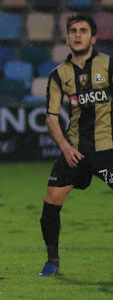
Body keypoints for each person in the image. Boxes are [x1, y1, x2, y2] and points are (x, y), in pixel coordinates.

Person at [38, 14, 113, 277]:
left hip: (108, 148)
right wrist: (65, 148)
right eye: (73, 31)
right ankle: (52, 262)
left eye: (83, 31)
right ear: (67, 38)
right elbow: (51, 117)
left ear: (93, 38)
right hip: (76, 150)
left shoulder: (108, 65)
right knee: (51, 202)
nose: (78, 35)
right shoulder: (58, 74)